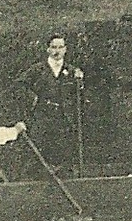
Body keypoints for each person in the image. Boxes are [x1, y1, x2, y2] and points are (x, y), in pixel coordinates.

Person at [16, 34, 85, 175]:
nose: (57, 51)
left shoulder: (71, 71)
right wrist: (32, 98)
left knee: (64, 150)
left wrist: (80, 82)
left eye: (60, 47)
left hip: (63, 116)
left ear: (65, 49)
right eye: (53, 47)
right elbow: (19, 85)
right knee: (38, 149)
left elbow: (78, 94)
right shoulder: (38, 69)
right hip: (43, 114)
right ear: (48, 49)